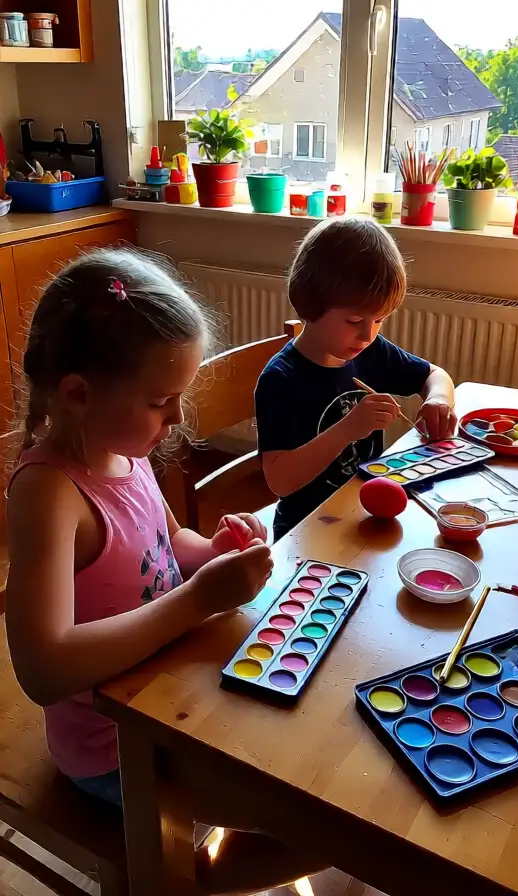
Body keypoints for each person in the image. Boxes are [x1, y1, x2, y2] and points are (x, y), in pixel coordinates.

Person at [5, 247, 326, 892]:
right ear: (77, 394)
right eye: (161, 401)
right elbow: (42, 669)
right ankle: (176, 881)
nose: (178, 418)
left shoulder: (124, 448)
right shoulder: (49, 494)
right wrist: (195, 602)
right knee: (317, 815)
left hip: (170, 694)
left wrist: (211, 554)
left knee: (313, 753)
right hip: (111, 745)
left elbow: (162, 541)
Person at [256, 217, 456, 541]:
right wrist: (348, 428)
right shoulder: (281, 379)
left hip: (365, 513)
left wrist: (437, 400)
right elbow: (279, 480)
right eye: (354, 320)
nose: (367, 334)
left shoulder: (369, 351)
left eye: (379, 320)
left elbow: (435, 375)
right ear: (310, 303)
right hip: (307, 532)